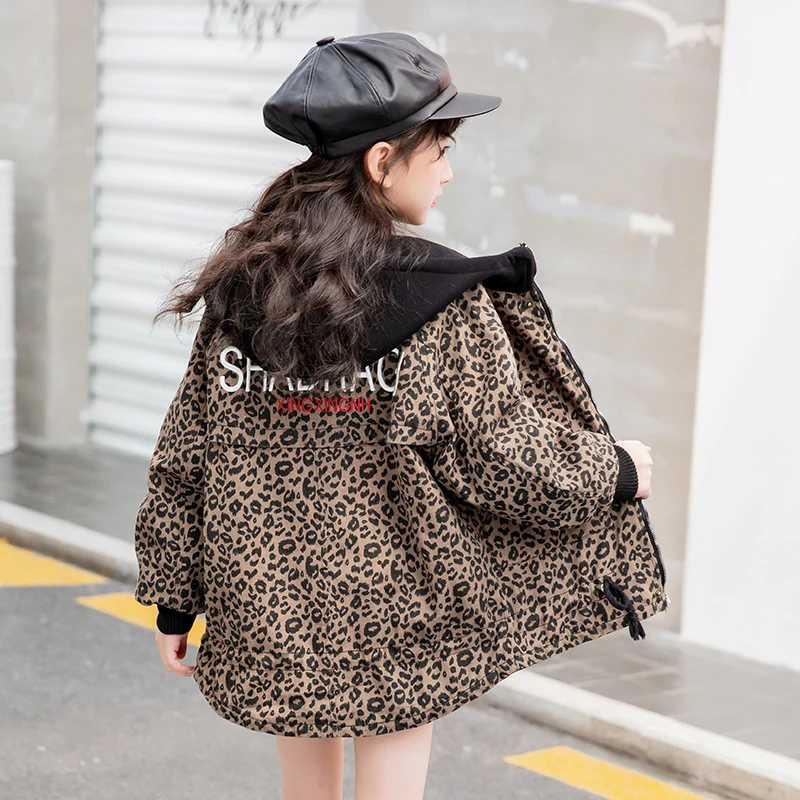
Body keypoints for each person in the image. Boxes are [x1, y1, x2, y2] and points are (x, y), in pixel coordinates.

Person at [133, 32, 660, 800]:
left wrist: (175, 601)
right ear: (382, 161)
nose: (448, 169)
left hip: (273, 610)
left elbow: (186, 458)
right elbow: (498, 454)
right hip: (400, 618)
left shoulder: (246, 294)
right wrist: (614, 469)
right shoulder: (438, 299)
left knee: (304, 791)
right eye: (439, 148)